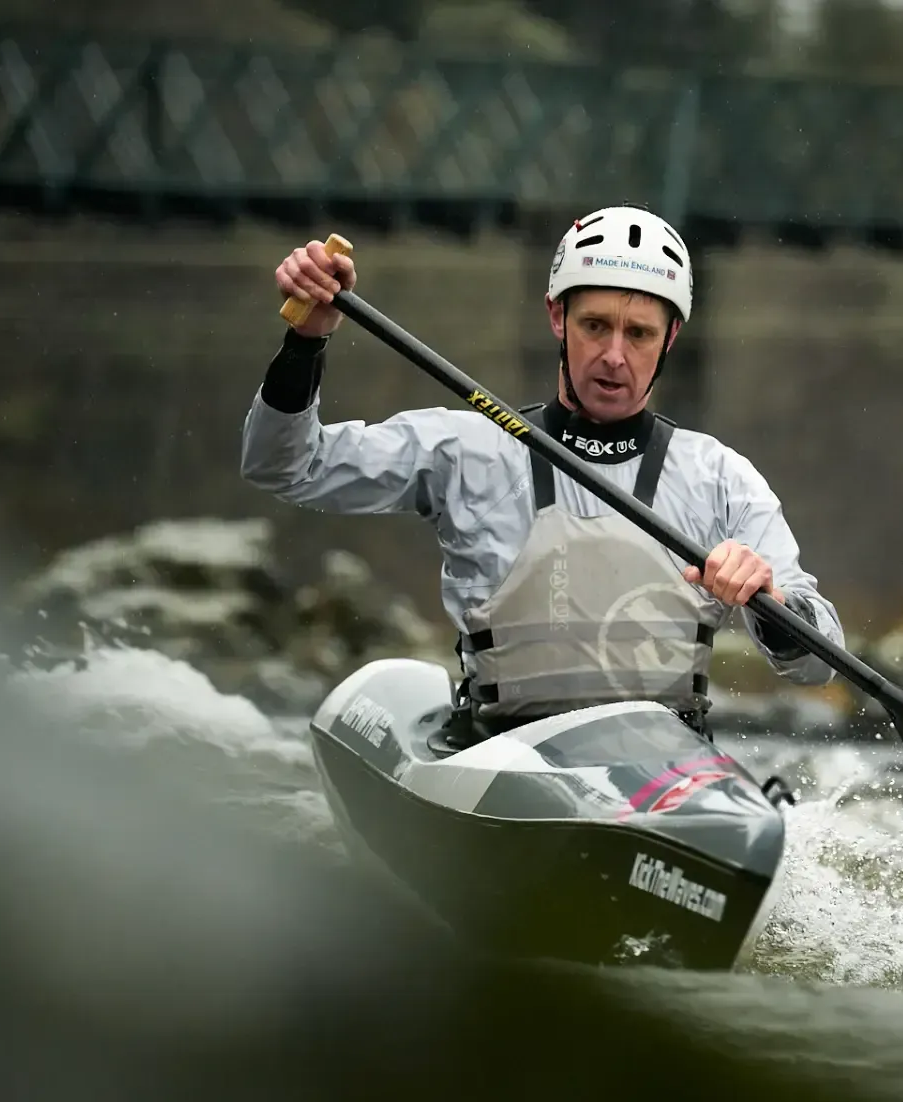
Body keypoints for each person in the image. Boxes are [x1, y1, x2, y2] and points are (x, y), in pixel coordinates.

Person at [242, 205, 843, 747]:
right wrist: (305, 342)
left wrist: (772, 602)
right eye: (595, 326)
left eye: (639, 335)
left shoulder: (719, 479)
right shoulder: (467, 449)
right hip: (499, 759)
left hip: (664, 777)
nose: (614, 355)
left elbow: (819, 663)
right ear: (557, 317)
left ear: (670, 340)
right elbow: (286, 466)